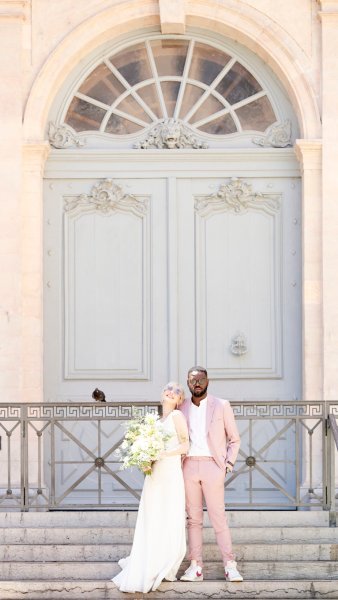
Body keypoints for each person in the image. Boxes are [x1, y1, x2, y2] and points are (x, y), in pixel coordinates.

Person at [112, 382, 189, 593]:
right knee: (153, 515)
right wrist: (145, 459)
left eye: (177, 391)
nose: (172, 392)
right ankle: (150, 555)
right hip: (154, 473)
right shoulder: (156, 421)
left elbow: (185, 445)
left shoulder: (177, 417)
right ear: (162, 393)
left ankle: (164, 560)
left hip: (170, 473)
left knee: (167, 513)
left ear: (180, 400)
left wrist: (162, 455)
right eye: (169, 388)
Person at [179, 366, 243, 583]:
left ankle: (230, 565)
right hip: (188, 466)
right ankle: (195, 566)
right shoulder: (182, 407)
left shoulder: (222, 405)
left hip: (213, 466)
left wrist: (227, 465)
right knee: (193, 520)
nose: (197, 384)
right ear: (187, 383)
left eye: (201, 380)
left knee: (218, 518)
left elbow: (234, 439)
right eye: (192, 380)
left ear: (208, 381)